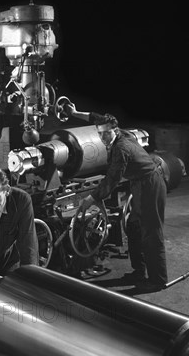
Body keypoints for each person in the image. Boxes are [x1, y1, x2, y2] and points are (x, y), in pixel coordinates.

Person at [68, 108, 168, 291]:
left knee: (151, 233)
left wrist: (91, 198)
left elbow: (112, 179)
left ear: (115, 130)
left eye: (106, 133)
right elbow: (94, 117)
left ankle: (158, 280)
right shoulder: (118, 132)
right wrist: (74, 112)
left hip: (150, 186)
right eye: (99, 133)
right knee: (134, 227)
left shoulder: (121, 148)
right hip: (139, 185)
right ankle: (139, 271)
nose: (103, 137)